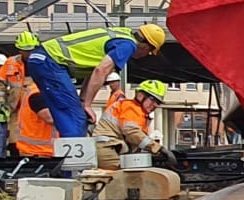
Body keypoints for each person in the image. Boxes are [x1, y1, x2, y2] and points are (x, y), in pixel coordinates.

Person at [26, 23, 166, 138]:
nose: (145, 55)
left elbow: (92, 73)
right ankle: (72, 168)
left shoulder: (121, 35)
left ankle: (71, 164)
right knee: (75, 119)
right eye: (149, 52)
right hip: (50, 62)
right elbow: (101, 71)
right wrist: (87, 105)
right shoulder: (128, 45)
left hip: (43, 60)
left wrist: (83, 102)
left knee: (77, 115)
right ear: (146, 46)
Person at [95, 79, 167, 169]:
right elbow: (133, 133)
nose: (155, 105)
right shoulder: (131, 108)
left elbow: (136, 140)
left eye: (158, 102)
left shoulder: (139, 112)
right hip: (108, 149)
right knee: (126, 177)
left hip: (110, 147)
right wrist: (157, 148)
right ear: (140, 95)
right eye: (153, 100)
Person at [11, 84, 57, 158]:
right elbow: (49, 118)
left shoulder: (46, 90)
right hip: (36, 152)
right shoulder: (37, 94)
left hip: (42, 150)